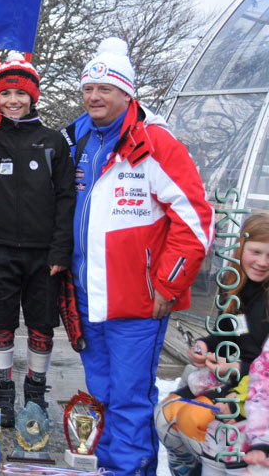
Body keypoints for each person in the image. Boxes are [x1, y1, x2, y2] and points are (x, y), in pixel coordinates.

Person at [64, 37, 214, 476]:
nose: (94, 96)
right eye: (88, 88)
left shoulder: (155, 142)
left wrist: (169, 284)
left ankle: (128, 469)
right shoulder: (76, 137)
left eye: (105, 89)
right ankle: (109, 465)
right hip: (87, 295)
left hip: (138, 299)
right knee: (102, 393)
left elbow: (197, 220)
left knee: (129, 397)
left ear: (127, 93)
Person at [0, 54, 75, 425]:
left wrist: (60, 249)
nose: (12, 100)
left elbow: (66, 198)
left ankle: (35, 393)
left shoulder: (53, 142)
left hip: (44, 255)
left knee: (41, 325)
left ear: (33, 97)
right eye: (5, 94)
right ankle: (3, 393)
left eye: (20, 94)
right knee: (0, 323)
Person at [157, 212, 269, 472]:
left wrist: (236, 367)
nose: (262, 262)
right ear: (240, 247)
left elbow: (262, 364)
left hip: (252, 388)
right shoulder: (234, 285)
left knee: (192, 419)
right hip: (228, 376)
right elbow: (230, 332)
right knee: (164, 414)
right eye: (256, 252)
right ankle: (189, 467)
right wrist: (205, 345)